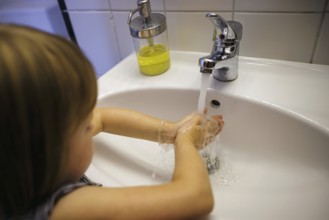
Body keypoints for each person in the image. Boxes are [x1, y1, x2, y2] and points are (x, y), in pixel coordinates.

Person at [0, 24, 224, 220]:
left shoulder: (19, 180)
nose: (92, 123)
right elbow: (195, 197)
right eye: (86, 126)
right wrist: (185, 142)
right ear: (44, 152)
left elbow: (103, 117)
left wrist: (168, 130)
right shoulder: (68, 209)